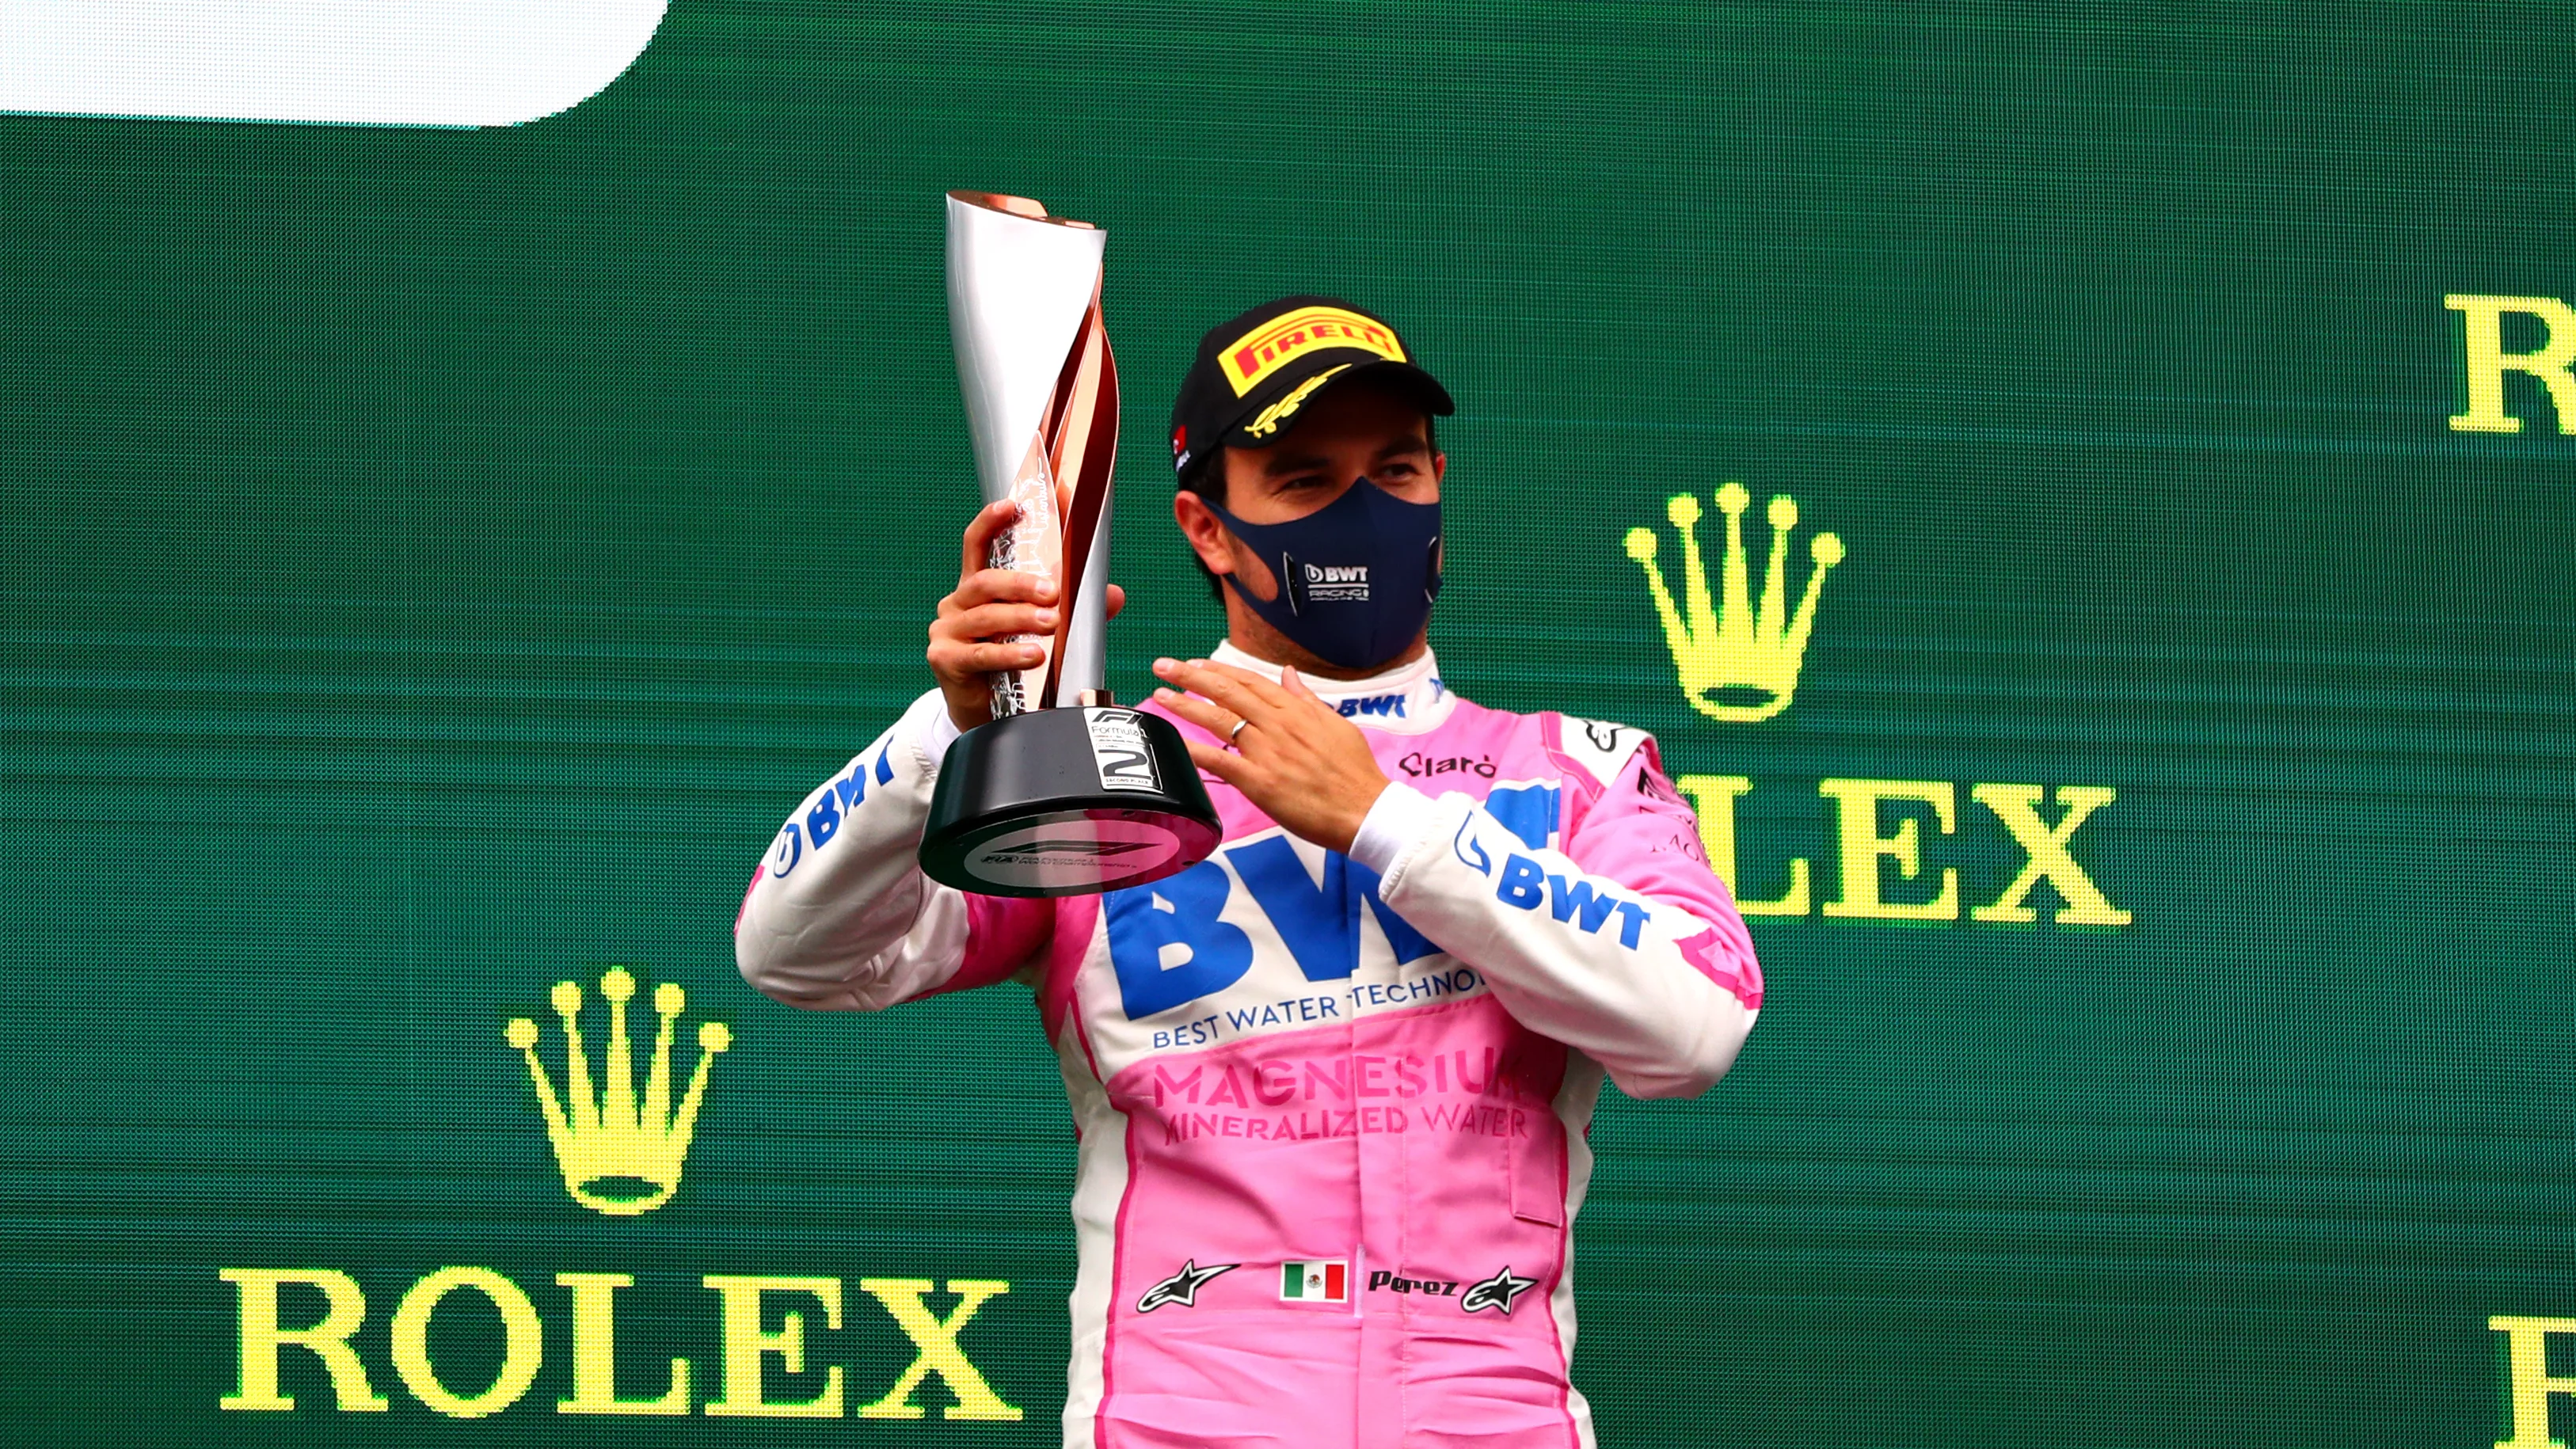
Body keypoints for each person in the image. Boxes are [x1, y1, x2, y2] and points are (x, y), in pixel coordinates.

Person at [736, 295, 1764, 1449]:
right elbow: (792, 950)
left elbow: (1697, 1027)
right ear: (1208, 527)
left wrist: (1387, 823)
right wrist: (947, 733)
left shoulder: (1574, 769)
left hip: (1492, 1417)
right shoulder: (1107, 772)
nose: (1365, 509)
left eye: (1398, 469)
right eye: (1308, 481)